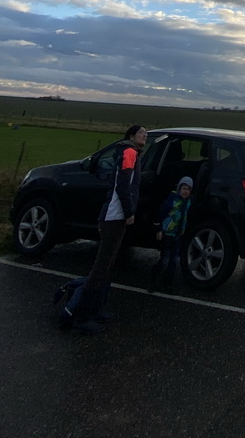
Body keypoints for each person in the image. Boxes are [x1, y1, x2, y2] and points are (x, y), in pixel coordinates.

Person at [72, 124, 147, 333]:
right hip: (114, 217)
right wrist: (129, 211)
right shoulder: (130, 153)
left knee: (108, 265)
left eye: (146, 133)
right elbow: (123, 185)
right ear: (131, 136)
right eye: (142, 132)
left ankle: (97, 309)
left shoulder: (133, 153)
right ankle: (82, 316)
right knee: (101, 267)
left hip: (116, 216)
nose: (145, 135)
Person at [148, 176, 193, 294]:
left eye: (188, 189)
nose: (186, 192)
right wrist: (158, 229)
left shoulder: (188, 202)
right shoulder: (172, 201)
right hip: (167, 233)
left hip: (178, 235)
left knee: (174, 262)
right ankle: (154, 279)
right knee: (165, 260)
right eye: (184, 188)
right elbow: (160, 214)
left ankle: (167, 284)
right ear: (179, 189)